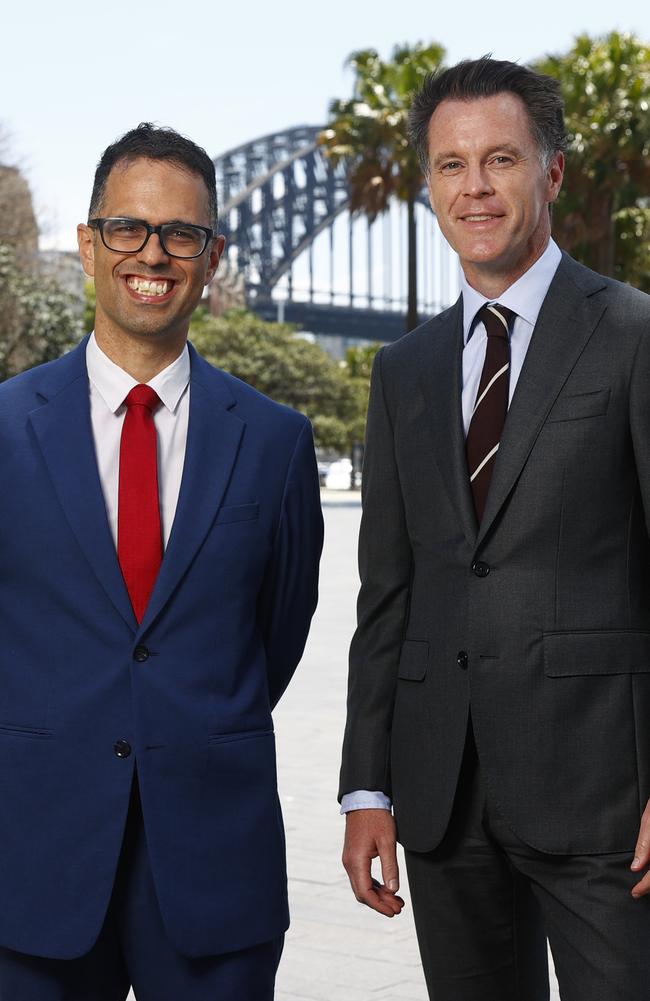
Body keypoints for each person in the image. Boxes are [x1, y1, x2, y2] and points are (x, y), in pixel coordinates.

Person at [339, 57, 650, 1000]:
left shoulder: (634, 333)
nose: (474, 188)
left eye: (501, 160)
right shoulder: (404, 370)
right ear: (428, 184)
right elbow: (388, 589)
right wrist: (366, 787)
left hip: (605, 800)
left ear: (551, 172)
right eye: (449, 165)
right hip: (444, 797)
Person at [0, 123, 323, 1000]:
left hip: (215, 866)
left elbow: (275, 637)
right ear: (89, 243)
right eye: (128, 229)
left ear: (211, 255)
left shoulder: (276, 443)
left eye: (182, 234)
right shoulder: (4, 427)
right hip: (31, 863)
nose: (155, 253)